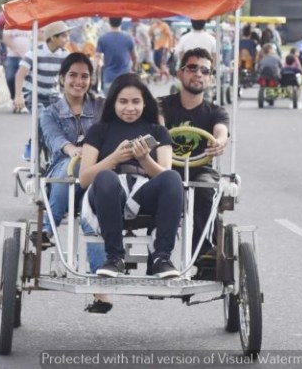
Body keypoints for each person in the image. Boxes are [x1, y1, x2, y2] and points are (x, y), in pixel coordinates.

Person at [78, 73, 183, 279]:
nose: (130, 108)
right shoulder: (99, 130)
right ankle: (115, 257)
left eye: (136, 102)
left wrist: (144, 159)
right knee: (105, 177)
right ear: (113, 103)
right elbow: (84, 178)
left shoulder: (159, 131)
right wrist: (114, 158)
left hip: (145, 188)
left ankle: (161, 257)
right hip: (108, 190)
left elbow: (165, 173)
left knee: (173, 178)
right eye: (123, 102)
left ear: (145, 104)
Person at [35, 53, 110, 312]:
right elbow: (54, 139)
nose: (79, 81)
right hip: (63, 166)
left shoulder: (101, 107)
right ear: (62, 79)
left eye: (85, 76)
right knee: (67, 176)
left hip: (97, 170)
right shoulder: (50, 112)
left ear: (91, 79)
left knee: (92, 217)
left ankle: (100, 290)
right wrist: (72, 150)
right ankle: (47, 229)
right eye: (73, 75)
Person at [159, 48, 229, 274]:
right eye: (192, 68)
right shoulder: (162, 105)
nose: (198, 74)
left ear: (210, 79)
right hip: (165, 167)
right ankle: (159, 258)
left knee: (205, 188)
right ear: (180, 73)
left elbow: (221, 131)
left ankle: (203, 254)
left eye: (204, 71)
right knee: (161, 186)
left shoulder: (215, 111)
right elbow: (157, 125)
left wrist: (219, 142)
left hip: (200, 169)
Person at [14, 21, 71, 112]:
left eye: (68, 36)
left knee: (64, 117)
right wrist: (18, 96)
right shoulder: (35, 53)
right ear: (53, 38)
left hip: (52, 96)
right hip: (33, 95)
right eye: (64, 36)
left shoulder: (65, 55)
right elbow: (20, 74)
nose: (68, 39)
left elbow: (67, 78)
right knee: (43, 118)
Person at [95, 17, 135, 94]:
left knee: (110, 102)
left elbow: (97, 56)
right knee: (124, 101)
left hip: (109, 78)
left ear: (109, 22)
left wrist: (93, 72)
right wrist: (134, 67)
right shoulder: (128, 37)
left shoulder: (102, 38)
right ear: (121, 22)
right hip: (125, 78)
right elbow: (134, 56)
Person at [3, 27, 33, 111]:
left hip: (27, 57)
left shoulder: (30, 24)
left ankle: (24, 101)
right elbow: (6, 38)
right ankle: (13, 97)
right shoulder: (11, 24)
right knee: (10, 77)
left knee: (27, 80)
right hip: (13, 56)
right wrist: (16, 49)